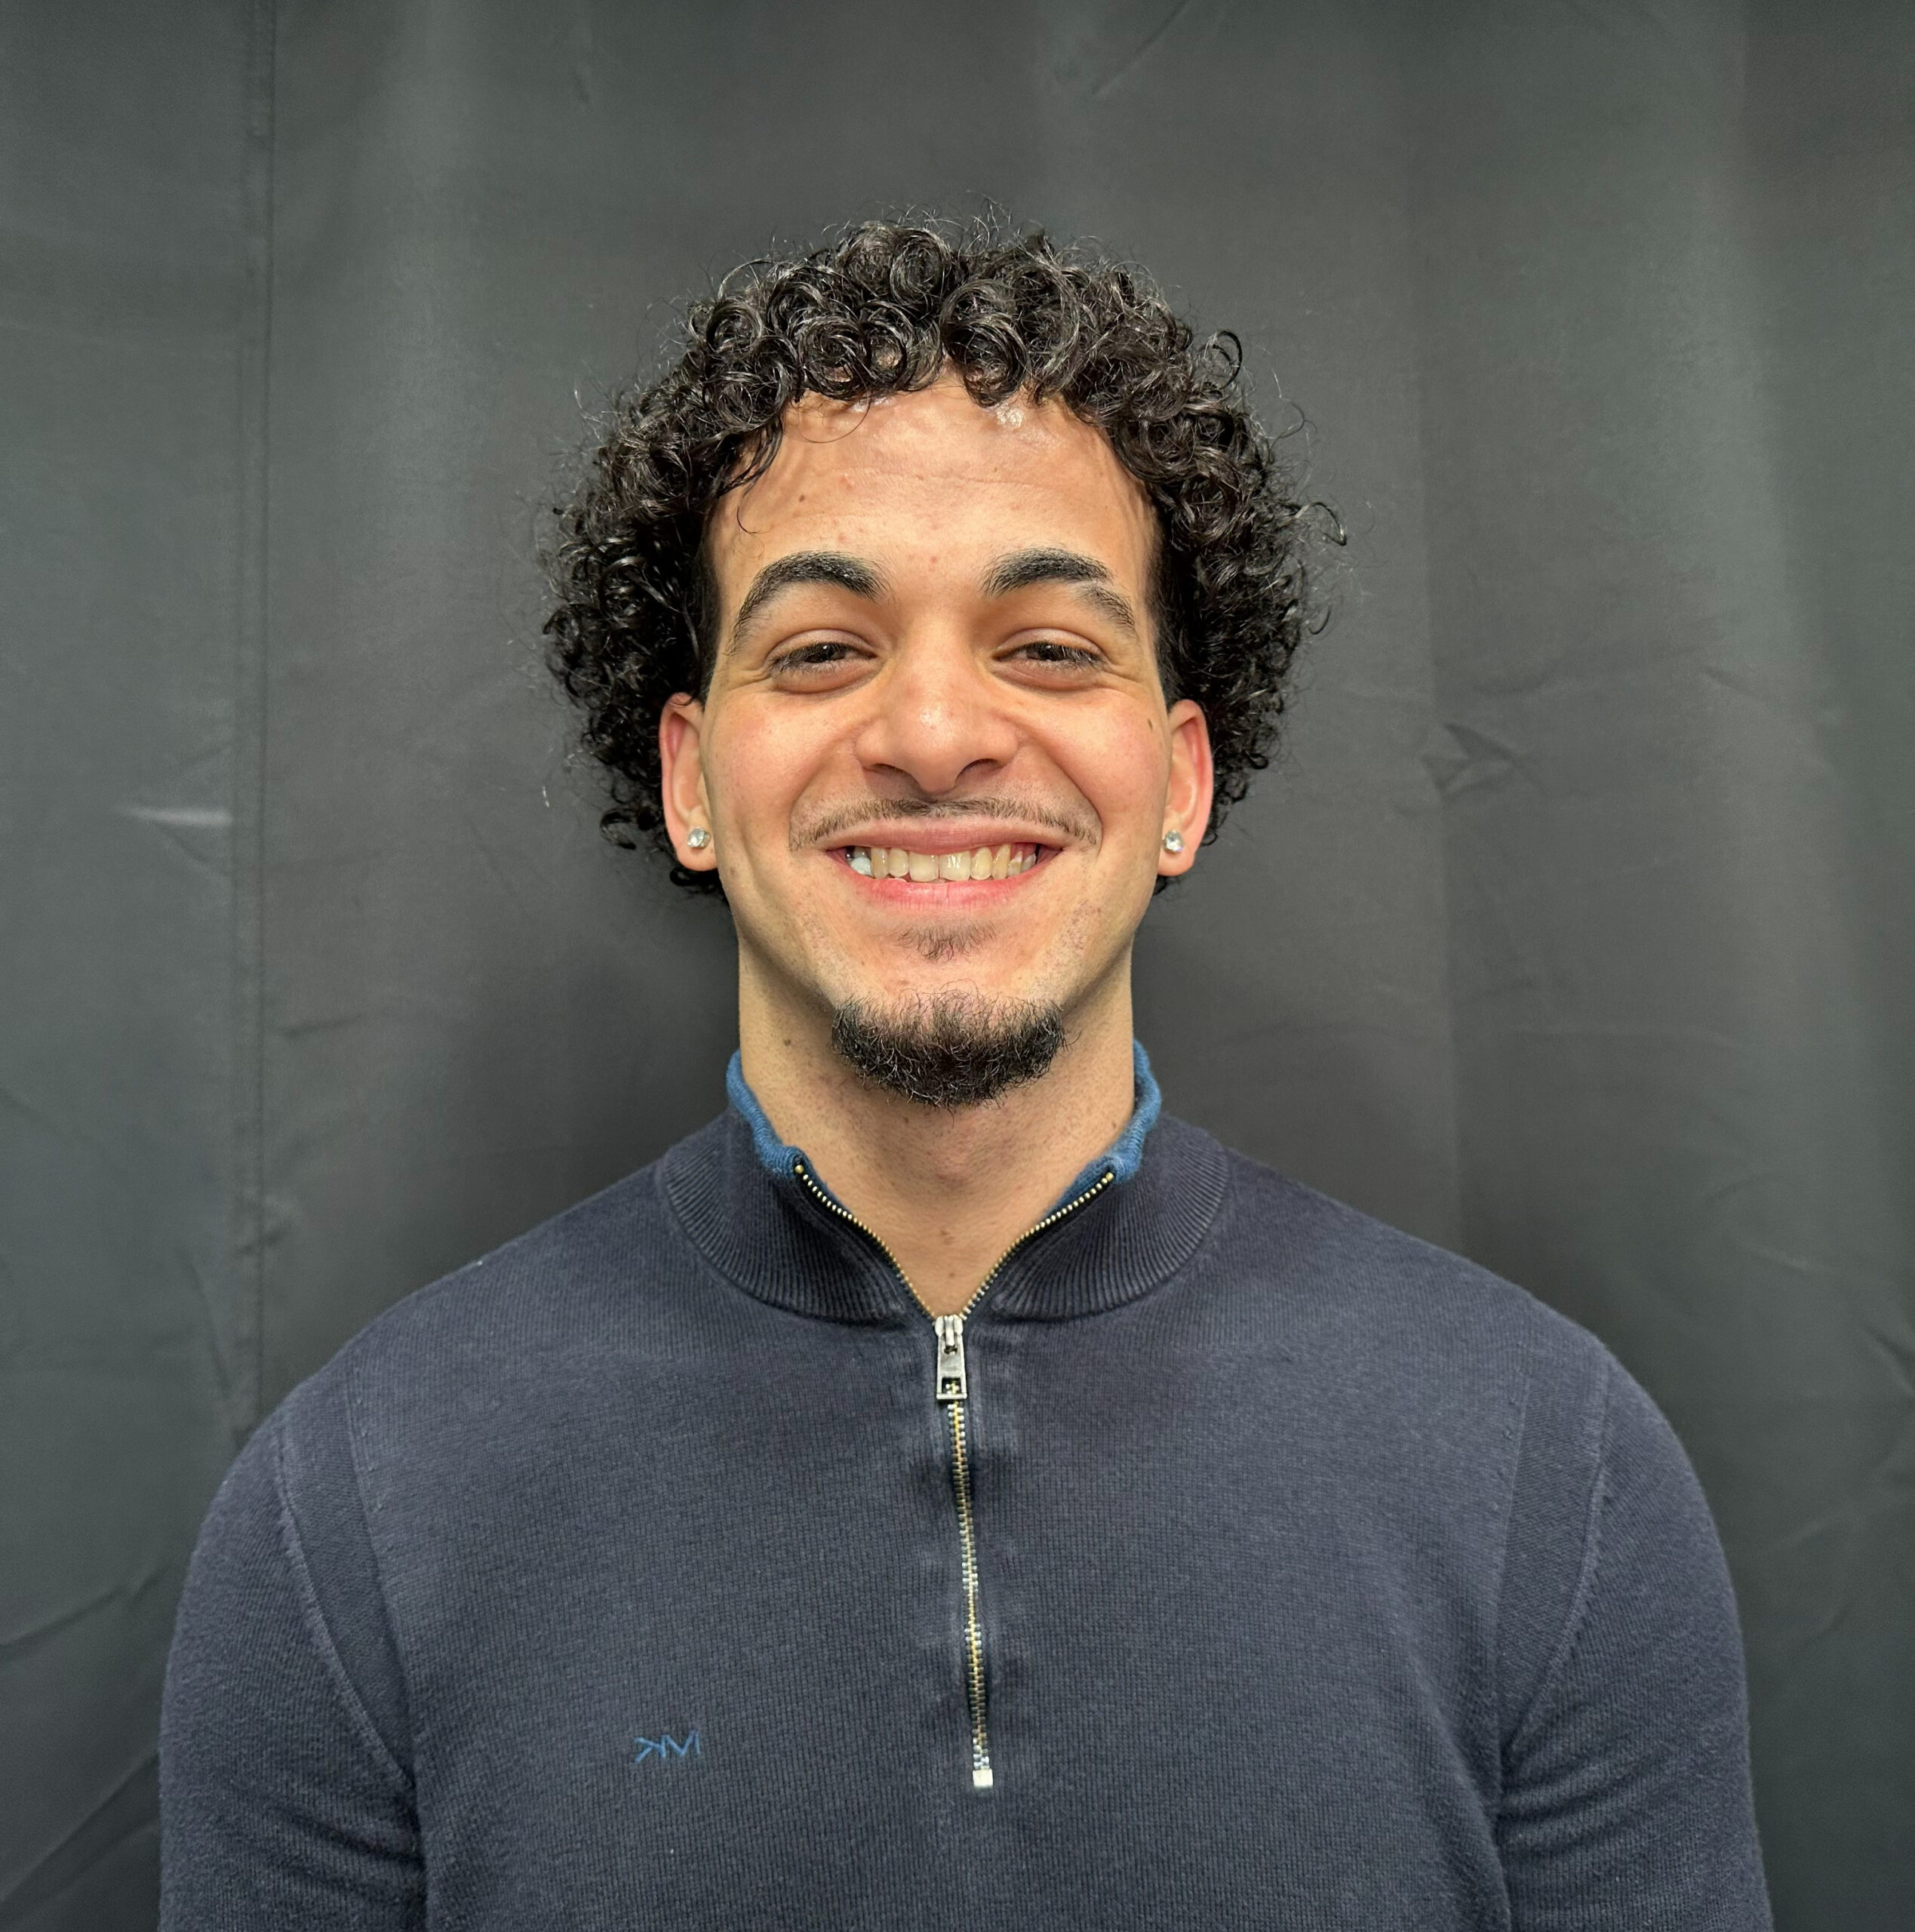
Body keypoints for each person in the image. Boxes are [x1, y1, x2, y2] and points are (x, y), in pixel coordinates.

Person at [161, 220, 1772, 1929]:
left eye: (1051, 647)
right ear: (691, 782)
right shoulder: (362, 1506)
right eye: (821, 648)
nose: (934, 735)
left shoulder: (1546, 1467)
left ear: (1179, 781)